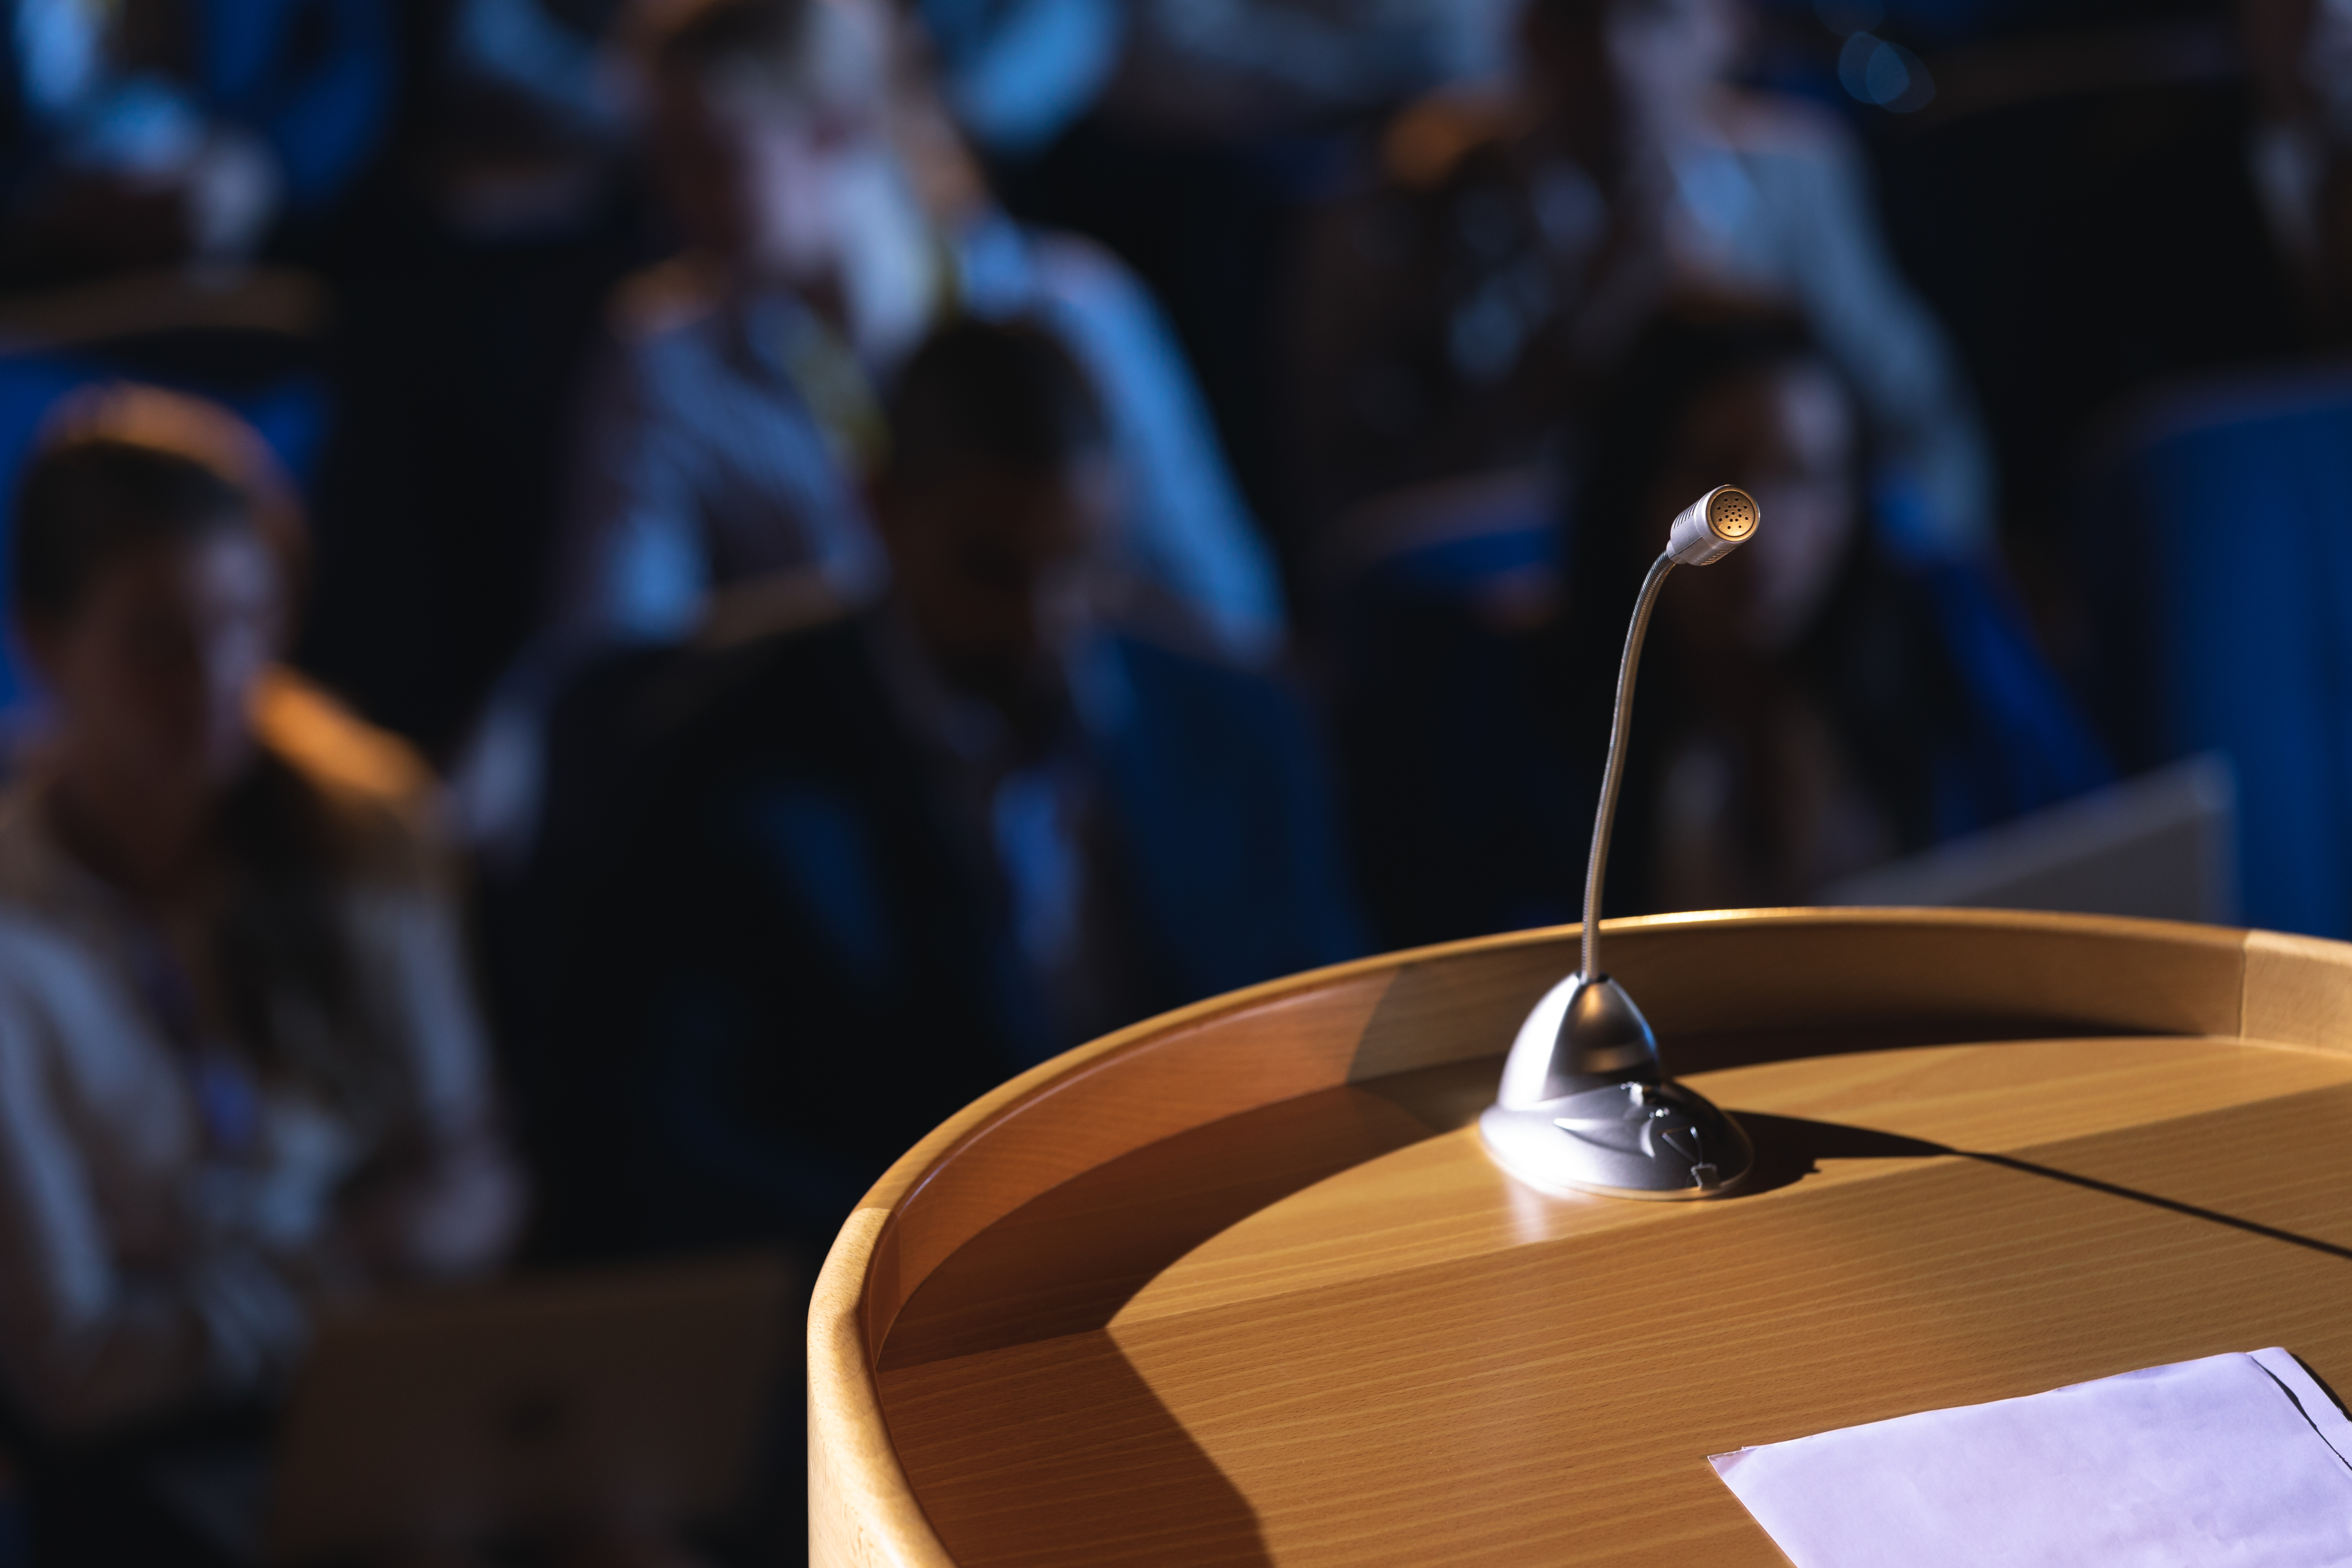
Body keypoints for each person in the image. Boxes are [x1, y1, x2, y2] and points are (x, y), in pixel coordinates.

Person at [519, 317, 1361, 1268]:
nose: (1046, 620)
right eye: (993, 569)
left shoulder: (1237, 737)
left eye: (1079, 561)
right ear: (878, 509)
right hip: (879, 1311)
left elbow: (1326, 1049)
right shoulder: (711, 771)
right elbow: (657, 1139)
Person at [0, 388, 520, 1553]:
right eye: (157, 644)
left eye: (246, 623)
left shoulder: (364, 826)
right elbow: (76, 1369)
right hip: (162, 1470)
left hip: (404, 1411)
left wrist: (221, 1302)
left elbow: (476, 1189)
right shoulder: (15, 940)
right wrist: (357, 1260)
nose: (216, 683)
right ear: (43, 644)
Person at [1338, 304, 2107, 948]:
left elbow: (2086, 850)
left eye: (1806, 477)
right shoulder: (1510, 695)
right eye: (1718, 482)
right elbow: (1493, 967)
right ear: (1632, 493)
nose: (1761, 533)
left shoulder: (1938, 622)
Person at [548, 0, 1283, 663]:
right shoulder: (668, 351)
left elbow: (1225, 614)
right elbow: (611, 649)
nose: (676, 203)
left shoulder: (1073, 311)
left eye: (712, 159)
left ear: (839, 127)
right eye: (664, 164)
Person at [1289, 0, 1993, 561]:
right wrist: (1584, 329)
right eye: (1577, 17)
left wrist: (1912, 561)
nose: (1618, 58)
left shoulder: (1794, 178)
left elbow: (1920, 414)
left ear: (1730, 29)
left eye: (1658, 16)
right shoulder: (1423, 203)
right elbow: (1368, 499)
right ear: (1526, 34)